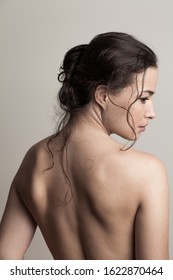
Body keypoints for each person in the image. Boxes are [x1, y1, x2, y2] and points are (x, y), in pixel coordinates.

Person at [0, 32, 169, 260]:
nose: (152, 113)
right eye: (143, 98)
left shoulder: (34, 159)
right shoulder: (146, 171)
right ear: (103, 95)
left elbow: (5, 257)